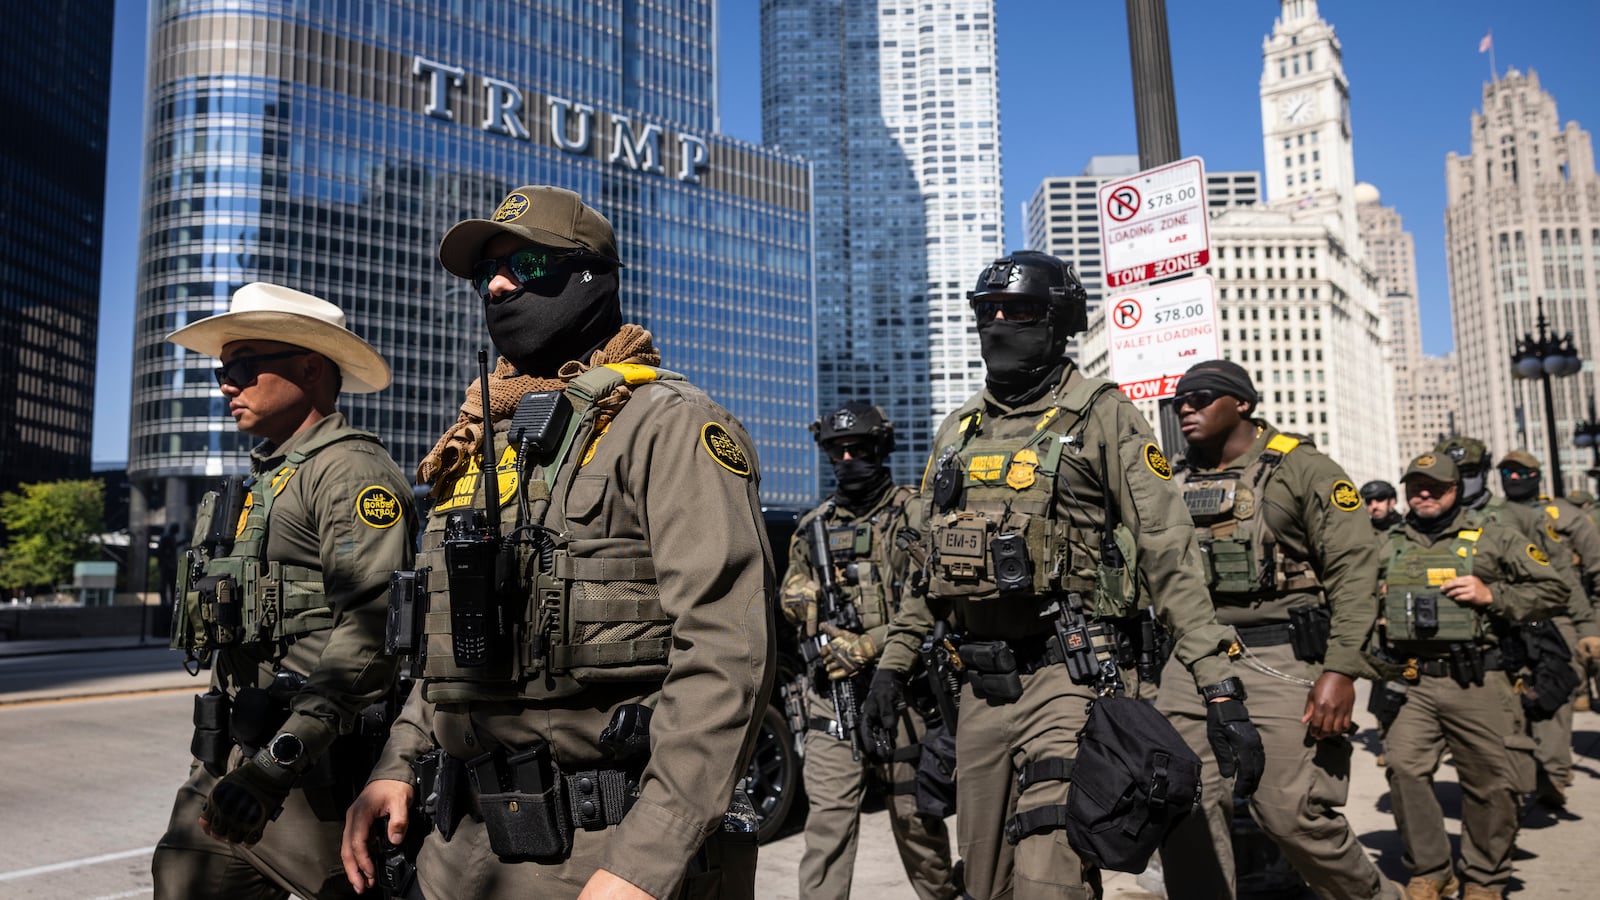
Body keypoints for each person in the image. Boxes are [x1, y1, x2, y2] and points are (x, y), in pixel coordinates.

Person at [339, 185, 775, 899]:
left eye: (527, 265)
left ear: (590, 276)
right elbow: (447, 647)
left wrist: (645, 862)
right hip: (459, 850)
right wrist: (398, 764)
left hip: (605, 850)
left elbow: (728, 655)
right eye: (487, 274)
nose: (497, 286)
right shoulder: (478, 442)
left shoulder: (667, 425)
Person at [861, 250, 1265, 899]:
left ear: (1058, 322)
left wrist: (1217, 685)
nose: (999, 324)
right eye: (988, 311)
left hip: (1068, 674)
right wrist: (892, 665)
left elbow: (1168, 550)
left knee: (1050, 876)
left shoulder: (1104, 415)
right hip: (979, 688)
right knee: (986, 883)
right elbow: (928, 565)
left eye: (1018, 310)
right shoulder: (958, 430)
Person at [153, 283, 417, 899]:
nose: (227, 385)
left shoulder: (351, 472)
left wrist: (277, 764)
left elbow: (371, 634)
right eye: (223, 370)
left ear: (310, 368)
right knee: (183, 878)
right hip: (229, 759)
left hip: (313, 774)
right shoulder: (268, 477)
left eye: (244, 367)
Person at [1156, 360, 1401, 900]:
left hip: (1283, 654)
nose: (1186, 408)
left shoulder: (1302, 468)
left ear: (1242, 403)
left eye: (1201, 397)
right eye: (1180, 401)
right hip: (1193, 657)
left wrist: (1341, 670)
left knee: (1292, 814)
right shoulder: (1173, 478)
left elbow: (1355, 572)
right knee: (1182, 803)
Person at [779, 402, 957, 900]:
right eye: (837, 451)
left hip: (902, 692)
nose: (847, 460)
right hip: (832, 695)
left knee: (917, 826)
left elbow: (936, 602)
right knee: (827, 830)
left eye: (857, 449)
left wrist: (870, 645)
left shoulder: (914, 514)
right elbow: (793, 586)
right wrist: (796, 597)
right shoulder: (814, 526)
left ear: (880, 449)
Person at [1376, 453, 1568, 900]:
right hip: (1414, 680)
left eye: (1435, 486)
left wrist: (1492, 594)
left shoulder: (1494, 535)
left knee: (1491, 782)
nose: (1423, 494)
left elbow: (1553, 589)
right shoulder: (1387, 543)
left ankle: (1484, 877)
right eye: (1415, 486)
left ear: (1455, 489)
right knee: (1404, 768)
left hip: (1479, 678)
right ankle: (1431, 870)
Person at [1496, 450, 1600, 806]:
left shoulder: (1565, 515)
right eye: (1507, 473)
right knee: (1513, 694)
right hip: (1510, 613)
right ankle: (1528, 768)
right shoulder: (1492, 515)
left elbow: (1589, 570)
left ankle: (1553, 773)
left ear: (1536, 475)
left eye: (1521, 472)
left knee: (1556, 688)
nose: (1514, 479)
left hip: (1558, 613)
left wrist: (1590, 625)